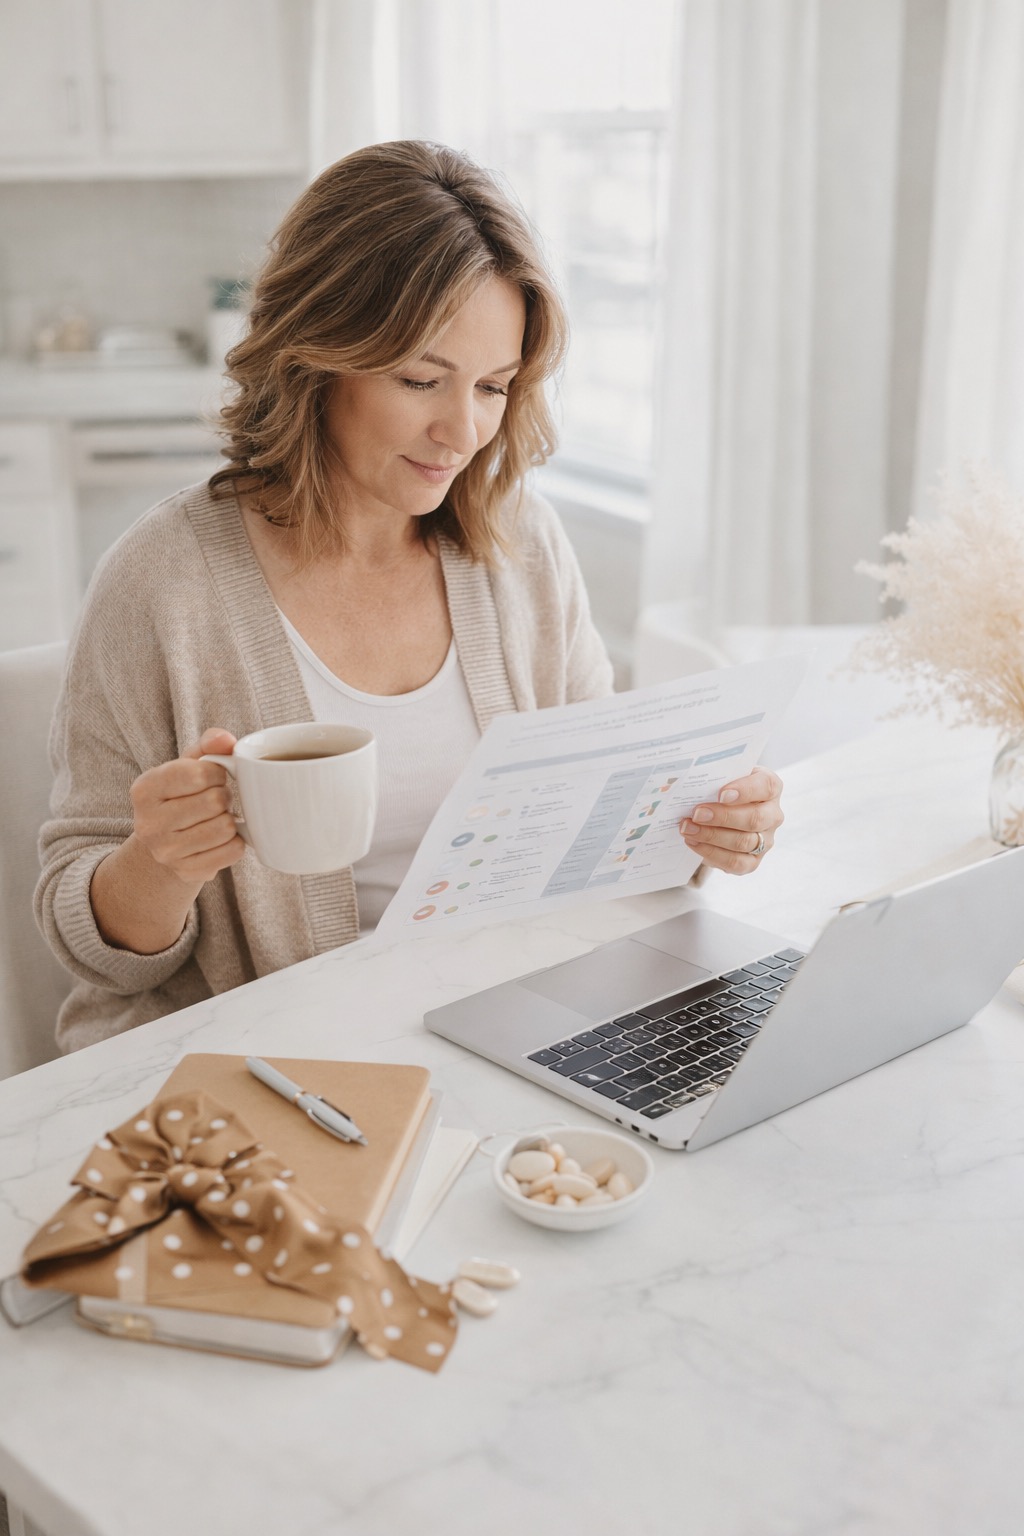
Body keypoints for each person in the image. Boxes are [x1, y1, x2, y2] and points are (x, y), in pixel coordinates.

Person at [36, 140, 784, 1054]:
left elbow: (599, 835)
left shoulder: (522, 547)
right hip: (256, 1060)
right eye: (421, 380)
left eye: (494, 388)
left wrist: (703, 828)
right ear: (318, 357)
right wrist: (158, 862)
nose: (461, 430)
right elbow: (104, 959)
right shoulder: (162, 583)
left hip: (491, 1028)